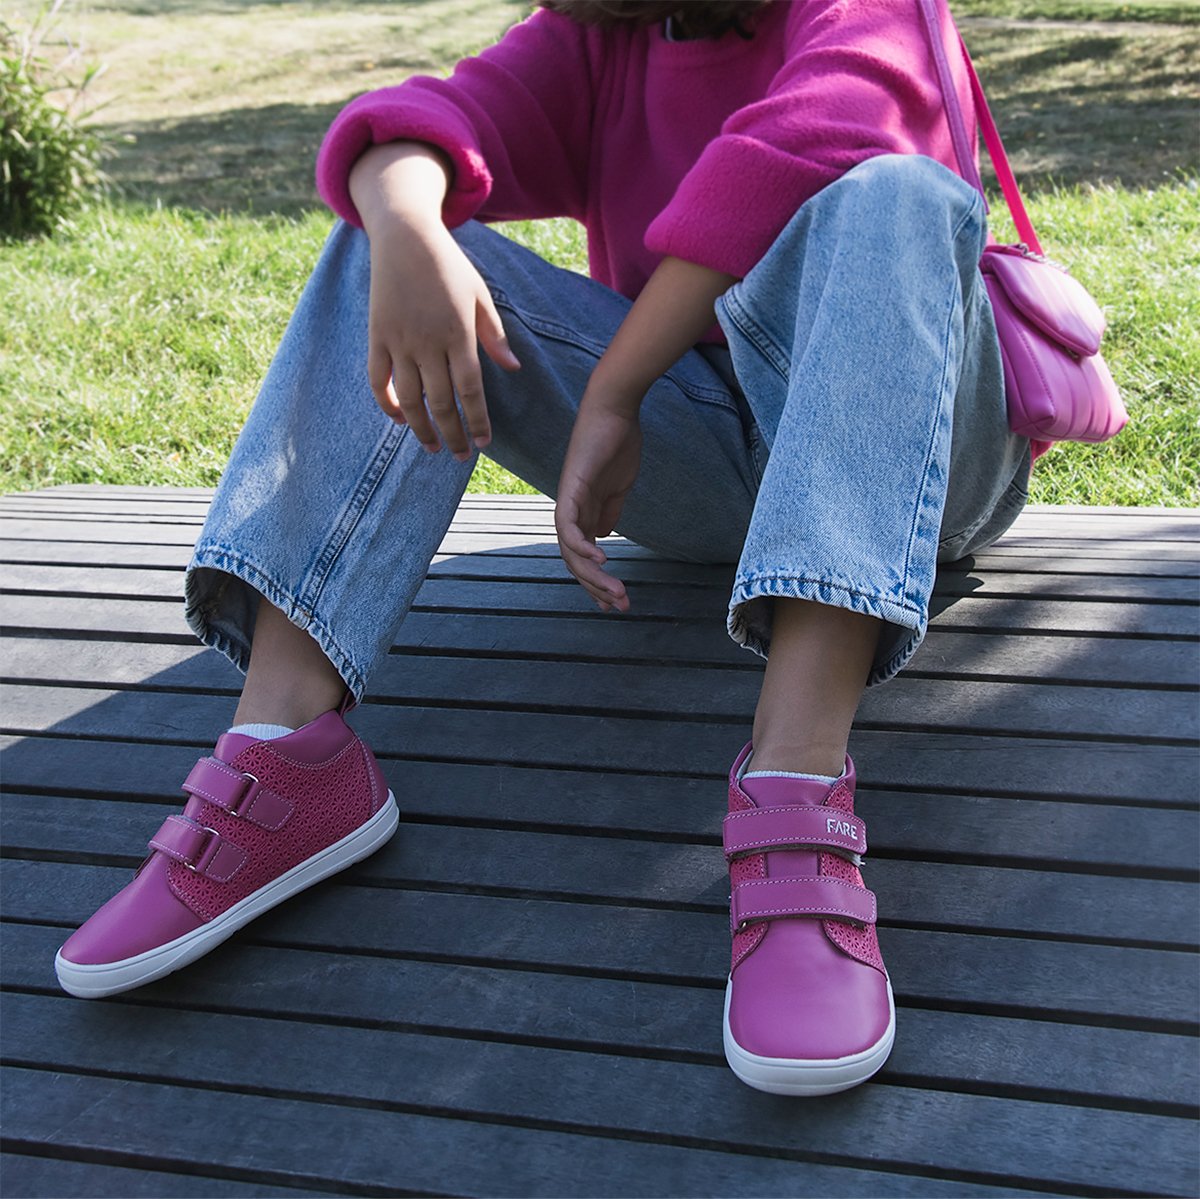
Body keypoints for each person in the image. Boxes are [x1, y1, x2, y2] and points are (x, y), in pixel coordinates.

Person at [54, 0, 1031, 1096]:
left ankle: (795, 793)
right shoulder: (604, 35)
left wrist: (614, 386)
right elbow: (414, 121)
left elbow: (814, 139)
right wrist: (408, 226)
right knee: (390, 243)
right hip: (709, 457)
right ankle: (286, 756)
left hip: (920, 459)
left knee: (896, 192)